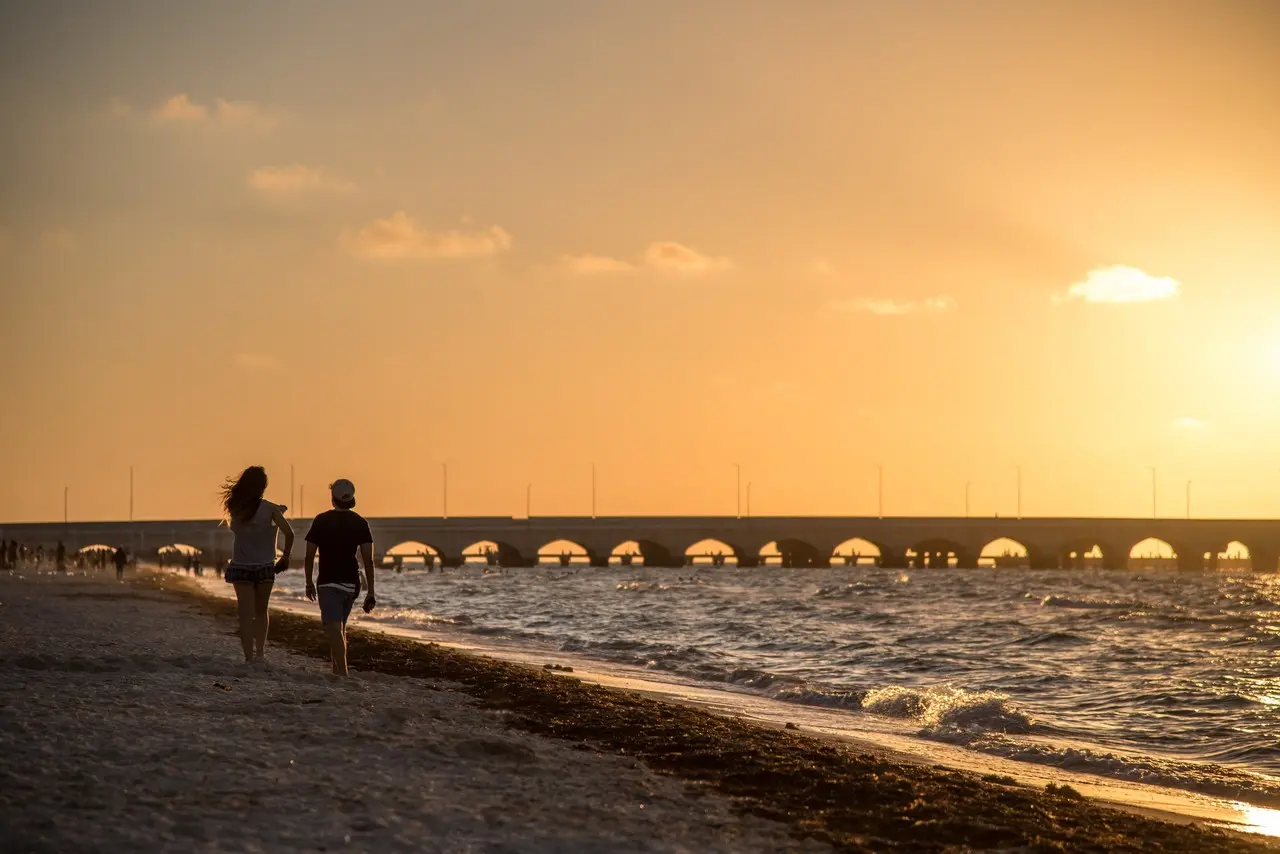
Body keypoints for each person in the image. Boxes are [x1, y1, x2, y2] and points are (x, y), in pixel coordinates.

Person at [221, 466, 294, 664]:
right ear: (263, 486)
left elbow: (239, 525)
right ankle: (260, 654)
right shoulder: (270, 509)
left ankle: (248, 657)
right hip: (264, 567)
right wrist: (285, 557)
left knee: (245, 615)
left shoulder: (234, 507)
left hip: (241, 566)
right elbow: (290, 533)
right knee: (262, 612)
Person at [304, 479, 376, 677]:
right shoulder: (360, 522)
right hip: (352, 583)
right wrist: (370, 591)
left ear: (332, 498)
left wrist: (309, 582)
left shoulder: (321, 520)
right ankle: (337, 670)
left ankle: (343, 673)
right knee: (340, 628)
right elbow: (368, 560)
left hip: (328, 582)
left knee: (335, 629)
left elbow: (309, 555)